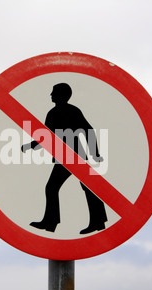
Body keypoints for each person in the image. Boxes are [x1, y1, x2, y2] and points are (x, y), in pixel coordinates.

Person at [21, 83, 107, 234]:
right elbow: (46, 137)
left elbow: (88, 130)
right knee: (80, 187)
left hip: (72, 157)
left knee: (56, 187)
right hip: (69, 157)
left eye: (53, 92)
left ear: (61, 95)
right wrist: (30, 146)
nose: (50, 95)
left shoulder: (63, 112)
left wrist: (95, 153)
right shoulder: (58, 112)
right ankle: (95, 222)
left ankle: (53, 222)